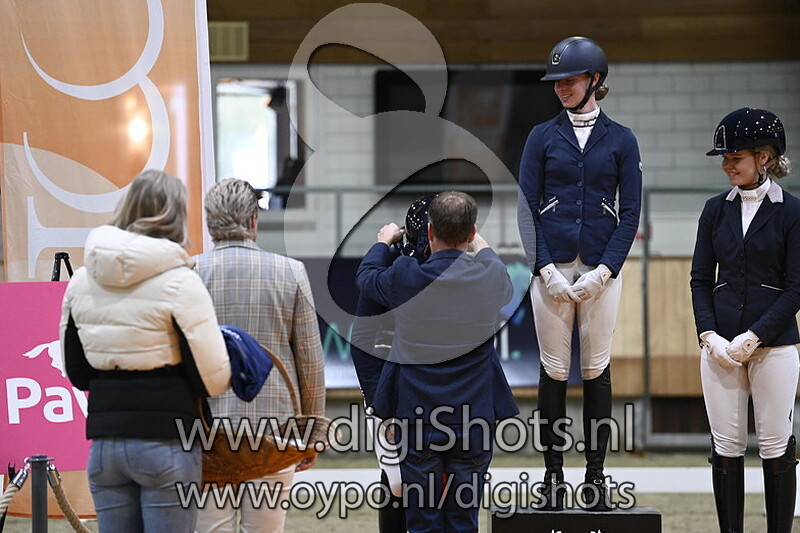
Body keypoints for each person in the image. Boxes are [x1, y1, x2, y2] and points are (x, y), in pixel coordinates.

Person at [59, 169, 232, 532]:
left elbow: (77, 372)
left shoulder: (81, 280)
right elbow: (213, 378)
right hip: (167, 440)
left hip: (105, 443)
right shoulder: (182, 280)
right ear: (176, 214)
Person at [517, 36, 642, 511]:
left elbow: (630, 214)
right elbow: (526, 208)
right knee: (552, 371)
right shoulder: (541, 136)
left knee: (595, 370)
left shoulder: (622, 139)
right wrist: (544, 267)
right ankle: (552, 477)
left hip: (599, 269)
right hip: (551, 267)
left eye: (569, 80)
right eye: (557, 82)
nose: (561, 88)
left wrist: (605, 270)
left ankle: (595, 476)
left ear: (594, 80)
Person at [356, 191, 518, 533]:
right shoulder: (491, 278)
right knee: (463, 522)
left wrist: (383, 242)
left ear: (429, 232)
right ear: (472, 233)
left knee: (423, 524)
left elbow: (366, 277)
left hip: (418, 420)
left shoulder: (406, 276)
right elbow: (492, 263)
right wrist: (477, 241)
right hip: (473, 420)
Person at [193, 178, 326, 533]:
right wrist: (312, 432)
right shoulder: (291, 272)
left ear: (209, 222)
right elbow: (310, 362)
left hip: (204, 432)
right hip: (275, 432)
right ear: (254, 221)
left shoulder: (188, 274)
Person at [691, 107, 798, 533]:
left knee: (774, 445)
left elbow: (796, 287)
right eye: (725, 158)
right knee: (726, 446)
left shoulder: (792, 212)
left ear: (764, 157)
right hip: (720, 346)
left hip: (774, 345)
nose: (726, 166)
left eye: (735, 158)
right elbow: (700, 279)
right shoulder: (714, 210)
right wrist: (708, 334)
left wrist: (756, 336)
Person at [350, 194, 435, 533]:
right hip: (397, 391)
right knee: (398, 483)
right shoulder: (391, 267)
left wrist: (381, 244)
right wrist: (378, 401)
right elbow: (363, 339)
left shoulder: (463, 266)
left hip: (443, 395)